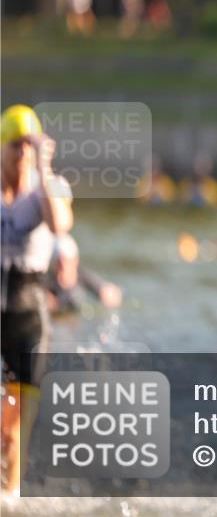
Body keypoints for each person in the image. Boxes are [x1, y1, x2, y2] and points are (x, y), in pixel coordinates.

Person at [1, 105, 74, 495]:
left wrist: (44, 170)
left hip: (29, 321)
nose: (23, 154)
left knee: (12, 434)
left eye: (30, 146)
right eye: (15, 146)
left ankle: (8, 502)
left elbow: (60, 224)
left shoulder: (52, 187)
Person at [46, 234, 123, 316]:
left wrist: (108, 296)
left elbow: (109, 292)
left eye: (67, 261)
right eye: (59, 262)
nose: (63, 265)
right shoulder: (47, 278)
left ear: (75, 261)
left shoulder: (82, 276)